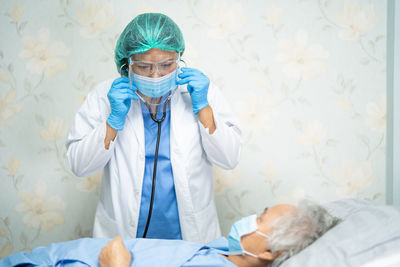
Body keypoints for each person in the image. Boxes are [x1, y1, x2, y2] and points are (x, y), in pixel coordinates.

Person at [66, 13, 242, 243]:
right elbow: (79, 166)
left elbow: (229, 159)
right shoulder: (104, 97)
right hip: (124, 236)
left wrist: (203, 108)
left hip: (190, 236)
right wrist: (113, 120)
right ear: (126, 64)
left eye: (167, 65)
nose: (156, 75)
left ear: (179, 59)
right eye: (144, 66)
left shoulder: (200, 93)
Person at [0, 200, 341, 267]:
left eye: (260, 219)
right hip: (46, 257)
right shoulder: (224, 249)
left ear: (270, 253)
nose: (249, 218)